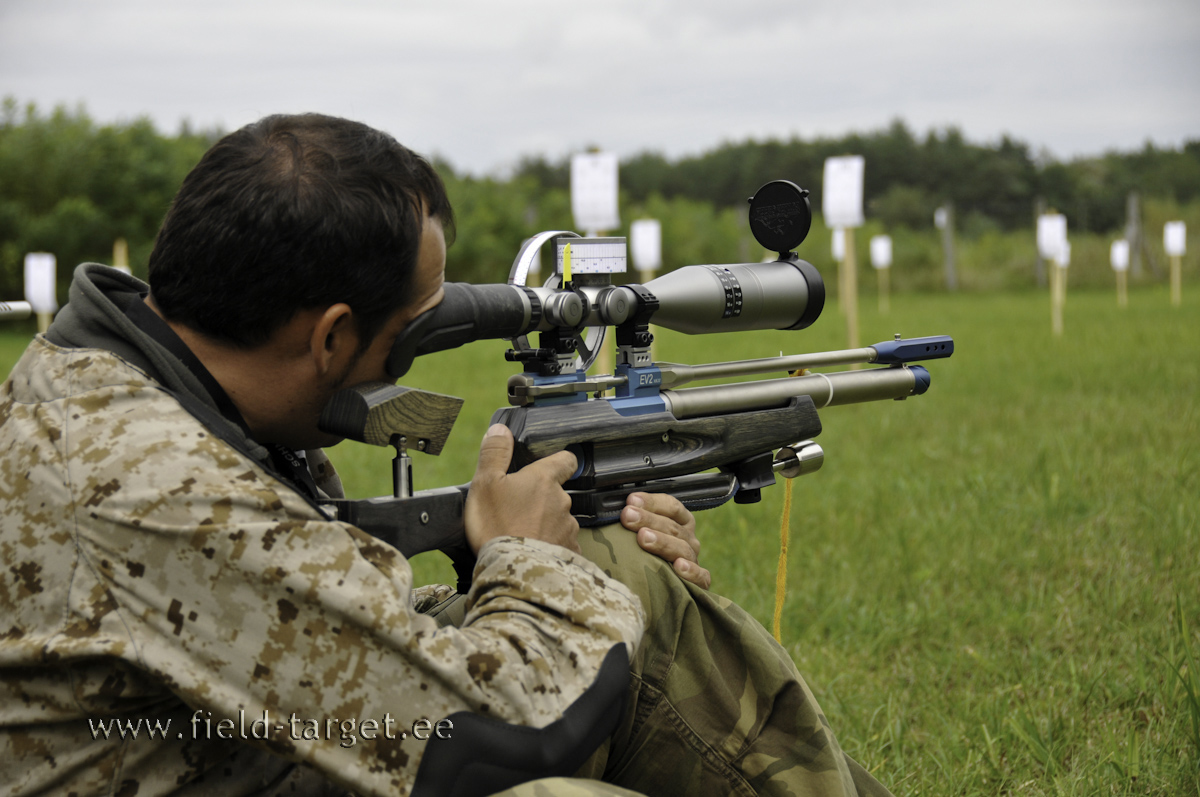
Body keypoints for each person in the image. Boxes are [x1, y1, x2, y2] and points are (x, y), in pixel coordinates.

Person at [0, 113, 892, 797]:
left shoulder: (135, 374)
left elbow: (279, 612)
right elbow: (495, 734)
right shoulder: (153, 482)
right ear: (331, 336)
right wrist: (533, 561)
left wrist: (532, 557)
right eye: (408, 336)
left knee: (628, 575)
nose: (408, 364)